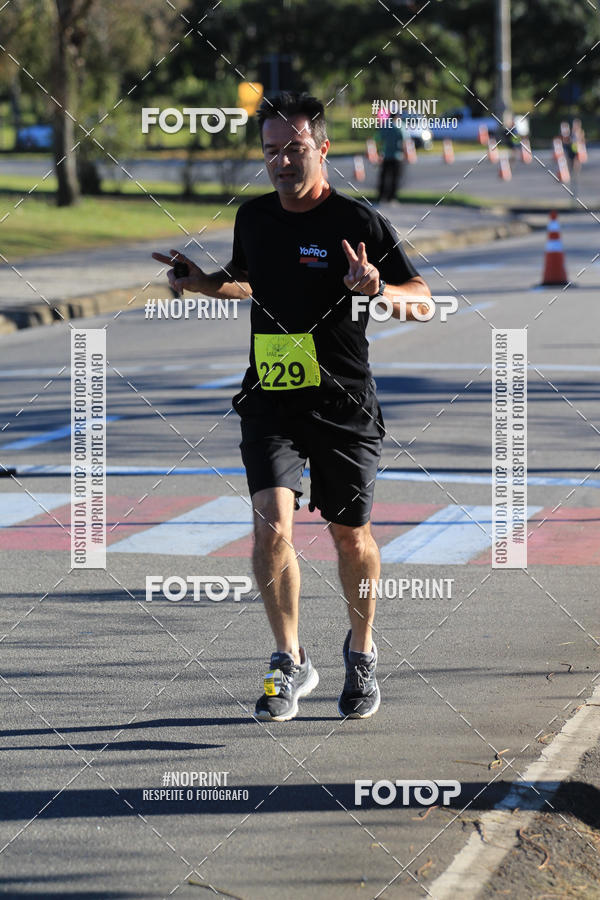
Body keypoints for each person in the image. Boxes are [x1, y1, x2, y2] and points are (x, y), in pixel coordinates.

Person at [152, 92, 431, 722]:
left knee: (349, 535)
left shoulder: (358, 224)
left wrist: (378, 287)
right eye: (272, 150)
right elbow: (248, 279)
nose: (282, 161)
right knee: (270, 525)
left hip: (342, 402)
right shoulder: (253, 218)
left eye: (295, 148)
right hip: (272, 397)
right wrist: (199, 283)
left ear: (323, 147)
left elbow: (423, 299)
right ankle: (289, 660)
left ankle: (361, 653)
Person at [376, 117, 404, 203]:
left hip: (386, 155)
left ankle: (381, 196)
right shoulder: (400, 126)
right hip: (397, 156)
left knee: (384, 177)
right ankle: (392, 197)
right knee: (395, 178)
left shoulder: (385, 126)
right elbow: (404, 140)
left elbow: (379, 139)